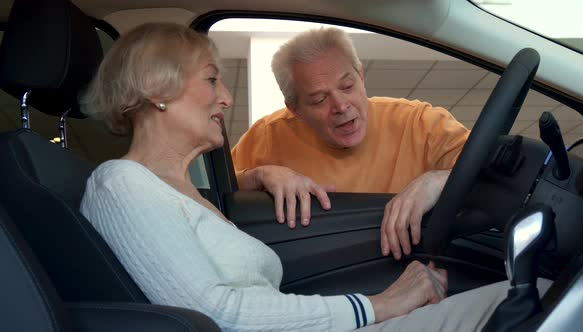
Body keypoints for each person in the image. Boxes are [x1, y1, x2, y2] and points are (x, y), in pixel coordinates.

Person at [79, 23, 548, 332]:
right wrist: (381, 304)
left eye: (347, 85)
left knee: (536, 297)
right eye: (211, 79)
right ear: (156, 90)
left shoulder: (182, 194)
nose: (225, 97)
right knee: (544, 300)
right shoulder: (120, 184)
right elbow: (221, 315)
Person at [231, 27, 470, 260]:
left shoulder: (419, 122)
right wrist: (258, 176)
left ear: (361, 75)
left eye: (347, 86)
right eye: (319, 99)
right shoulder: (267, 136)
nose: (341, 106)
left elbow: (494, 170)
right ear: (295, 110)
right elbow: (208, 194)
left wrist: (439, 179)